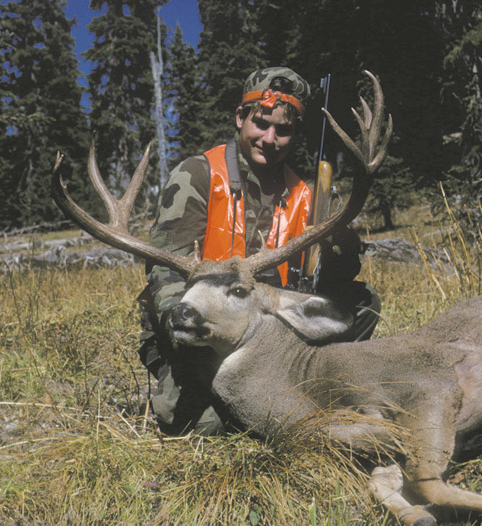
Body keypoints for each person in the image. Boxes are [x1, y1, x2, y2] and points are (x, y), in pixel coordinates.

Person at [138, 66, 381, 435]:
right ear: (240, 118)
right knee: (198, 424)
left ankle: (314, 384)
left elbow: (322, 279)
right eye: (261, 123)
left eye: (283, 130)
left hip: (266, 327)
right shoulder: (199, 175)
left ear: (295, 134)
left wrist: (340, 253)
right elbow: (163, 268)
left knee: (362, 304)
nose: (270, 138)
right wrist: (182, 321)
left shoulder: (303, 194)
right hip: (201, 327)